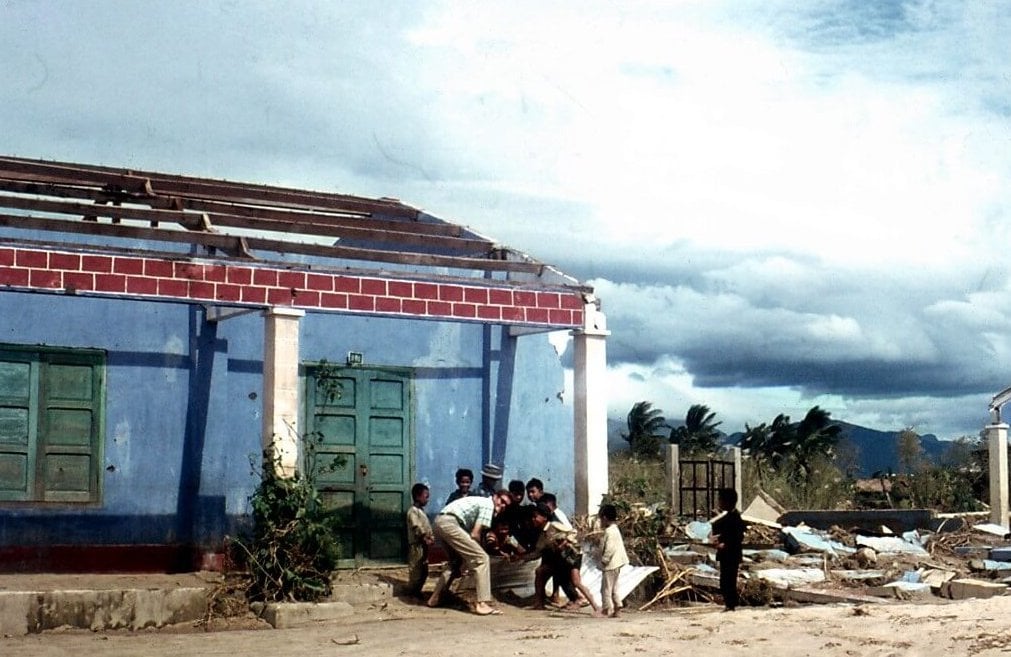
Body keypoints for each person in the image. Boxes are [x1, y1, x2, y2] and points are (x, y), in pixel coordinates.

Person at [428, 490, 513, 616]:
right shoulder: (488, 504)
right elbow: (475, 534)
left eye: (506, 504)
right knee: (482, 558)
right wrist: (478, 553)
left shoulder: (482, 503)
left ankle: (434, 598)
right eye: (502, 501)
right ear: (495, 497)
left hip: (439, 522)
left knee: (456, 563)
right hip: (450, 523)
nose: (503, 505)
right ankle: (482, 603)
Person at [520, 502, 600, 614]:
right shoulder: (542, 534)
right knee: (541, 572)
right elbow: (537, 553)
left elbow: (572, 533)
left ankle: (594, 606)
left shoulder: (554, 526)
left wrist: (565, 542)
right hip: (561, 561)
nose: (533, 519)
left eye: (535, 516)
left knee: (576, 582)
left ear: (544, 517)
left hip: (572, 558)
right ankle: (539, 603)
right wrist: (521, 557)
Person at [711, 487, 746, 612]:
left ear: (727, 501)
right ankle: (729, 603)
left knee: (729, 580)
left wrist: (724, 545)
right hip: (726, 555)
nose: (719, 502)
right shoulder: (726, 516)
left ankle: (731, 604)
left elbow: (737, 537)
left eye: (721, 499)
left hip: (731, 554)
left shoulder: (735, 517)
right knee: (725, 580)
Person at [594, 503, 629, 618]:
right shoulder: (615, 530)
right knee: (614, 588)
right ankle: (617, 606)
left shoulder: (610, 532)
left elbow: (610, 548)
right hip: (617, 563)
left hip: (610, 564)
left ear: (604, 518)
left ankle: (606, 609)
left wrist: (604, 560)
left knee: (605, 589)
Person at [405, 483, 434, 599]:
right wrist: (424, 537)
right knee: (416, 570)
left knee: (424, 570)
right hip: (417, 546)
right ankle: (412, 592)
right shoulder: (413, 512)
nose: (427, 499)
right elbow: (416, 527)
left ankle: (417, 591)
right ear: (417, 497)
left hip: (423, 545)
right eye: (426, 496)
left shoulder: (421, 511)